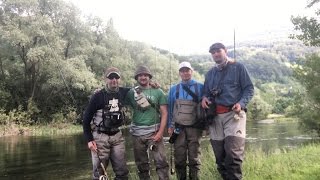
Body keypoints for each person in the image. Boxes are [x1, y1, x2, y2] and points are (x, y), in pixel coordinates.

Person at [201, 42, 254, 180]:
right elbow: (205, 92)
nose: (216, 54)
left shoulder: (239, 67)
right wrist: (204, 98)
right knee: (220, 156)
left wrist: (241, 103)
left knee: (233, 153)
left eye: (218, 51)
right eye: (213, 52)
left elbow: (249, 88)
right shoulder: (210, 74)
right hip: (215, 117)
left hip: (234, 115)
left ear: (225, 51)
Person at [83, 67, 129, 180]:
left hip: (117, 136)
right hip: (99, 137)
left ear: (120, 79)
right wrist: (89, 140)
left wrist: (152, 84)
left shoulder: (124, 92)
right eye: (111, 77)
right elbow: (86, 119)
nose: (114, 80)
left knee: (122, 172)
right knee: (100, 174)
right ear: (106, 79)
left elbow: (141, 88)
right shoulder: (97, 96)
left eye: (116, 77)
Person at [125, 65, 169, 180]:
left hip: (155, 133)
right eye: (140, 75)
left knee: (161, 163)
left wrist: (160, 133)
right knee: (142, 166)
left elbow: (164, 113)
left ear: (149, 77)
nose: (143, 77)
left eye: (145, 75)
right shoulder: (131, 92)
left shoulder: (158, 91)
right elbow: (117, 94)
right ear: (137, 78)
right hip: (137, 134)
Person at [167, 61, 204, 180]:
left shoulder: (201, 87)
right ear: (179, 73)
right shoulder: (173, 89)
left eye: (187, 70)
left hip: (195, 128)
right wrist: (170, 126)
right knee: (179, 158)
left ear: (191, 72)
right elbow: (170, 108)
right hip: (178, 129)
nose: (185, 73)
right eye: (182, 71)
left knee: (194, 158)